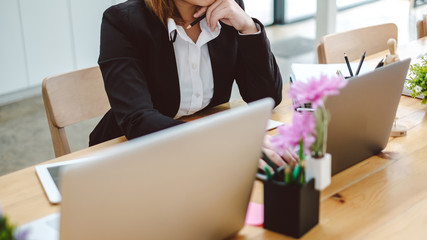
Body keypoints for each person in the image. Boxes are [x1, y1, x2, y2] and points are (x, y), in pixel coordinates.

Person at [89, 0, 297, 168]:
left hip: (198, 153)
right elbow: (138, 119)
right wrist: (224, 141)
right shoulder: (123, 21)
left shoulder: (229, 11)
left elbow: (265, 97)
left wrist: (248, 27)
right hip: (128, 154)